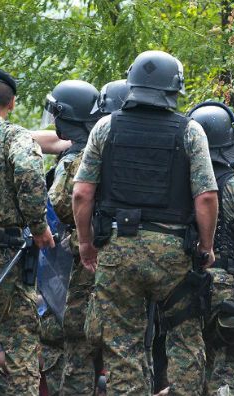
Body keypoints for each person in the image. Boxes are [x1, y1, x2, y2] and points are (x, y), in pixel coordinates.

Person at [72, 50, 218, 395]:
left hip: (117, 250)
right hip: (173, 254)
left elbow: (81, 193)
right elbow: (207, 197)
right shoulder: (191, 131)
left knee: (122, 346)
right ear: (174, 89)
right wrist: (206, 247)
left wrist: (85, 243)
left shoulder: (106, 126)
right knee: (184, 339)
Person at [0, 67, 55, 395]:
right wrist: (39, 227)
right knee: (20, 343)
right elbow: (28, 171)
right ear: (11, 103)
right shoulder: (15, 136)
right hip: (3, 256)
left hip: (3, 255)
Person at [40, 79, 106, 395]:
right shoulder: (94, 148)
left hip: (78, 263)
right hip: (87, 260)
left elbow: (63, 204)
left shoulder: (81, 159)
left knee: (72, 341)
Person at [188, 102, 234, 395]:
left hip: (182, 285)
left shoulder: (179, 182)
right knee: (230, 365)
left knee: (189, 363)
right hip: (230, 289)